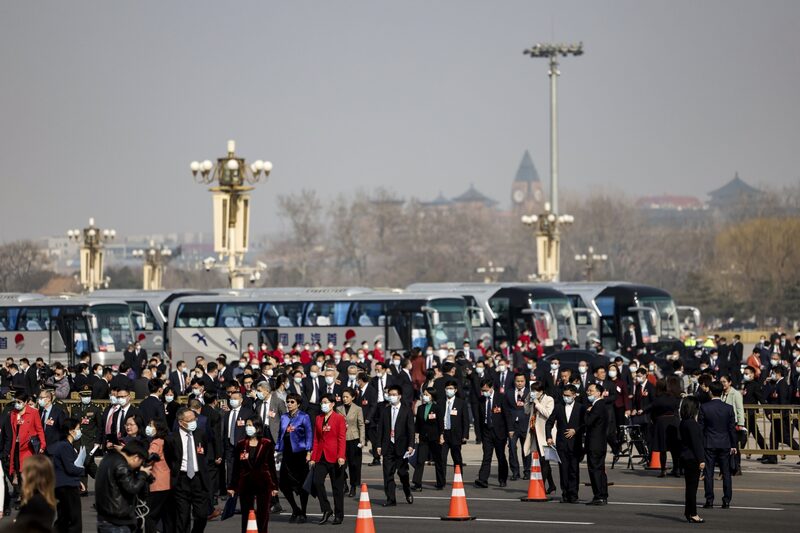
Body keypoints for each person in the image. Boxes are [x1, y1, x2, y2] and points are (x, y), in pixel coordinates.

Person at [228, 415, 279, 533]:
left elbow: (271, 466)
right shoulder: (241, 444)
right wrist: (232, 486)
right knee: (246, 512)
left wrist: (274, 486)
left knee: (263, 513)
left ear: (257, 427)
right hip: (245, 483)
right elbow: (236, 467)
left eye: (250, 425)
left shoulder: (266, 444)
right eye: (246, 425)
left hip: (263, 482)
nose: (248, 428)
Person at [164, 407, 211, 533]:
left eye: (194, 419)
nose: (193, 422)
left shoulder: (200, 434)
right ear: (181, 422)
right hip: (181, 480)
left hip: (198, 479)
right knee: (182, 517)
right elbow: (169, 458)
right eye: (189, 420)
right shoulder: (171, 438)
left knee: (201, 515)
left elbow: (204, 451)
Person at [95, 440, 154, 533]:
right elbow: (132, 487)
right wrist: (143, 474)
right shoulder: (121, 464)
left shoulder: (108, 458)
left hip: (105, 518)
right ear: (136, 457)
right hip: (117, 522)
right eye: (140, 462)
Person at [309, 394, 347, 524]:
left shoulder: (339, 418)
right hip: (321, 456)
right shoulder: (318, 418)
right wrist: (313, 457)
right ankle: (326, 509)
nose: (323, 405)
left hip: (335, 457)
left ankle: (339, 514)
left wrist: (341, 456)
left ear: (332, 404)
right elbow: (316, 439)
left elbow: (341, 438)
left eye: (325, 402)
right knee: (317, 482)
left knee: (337, 487)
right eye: (321, 403)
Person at [699, 381, 737, 509]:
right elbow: (732, 428)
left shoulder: (704, 407)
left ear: (710, 392)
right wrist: (734, 445)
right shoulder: (728, 408)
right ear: (722, 392)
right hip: (725, 442)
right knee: (726, 472)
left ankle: (709, 500)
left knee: (708, 472)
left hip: (709, 442)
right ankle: (726, 500)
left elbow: (701, 428)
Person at [275, 393, 312, 523]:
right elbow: (281, 433)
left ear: (298, 404)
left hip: (300, 454)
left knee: (302, 485)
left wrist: (309, 451)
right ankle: (295, 509)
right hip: (287, 453)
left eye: (292, 402)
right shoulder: (284, 417)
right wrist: (278, 448)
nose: (289, 404)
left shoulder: (304, 416)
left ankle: (303, 512)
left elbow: (309, 434)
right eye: (288, 402)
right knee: (283, 484)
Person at [545, 384, 586, 503]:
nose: (566, 397)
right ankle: (565, 494)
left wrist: (575, 430)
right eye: (564, 395)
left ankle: (573, 495)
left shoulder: (580, 408)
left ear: (574, 395)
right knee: (563, 469)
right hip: (562, 443)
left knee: (574, 470)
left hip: (575, 444)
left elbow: (585, 424)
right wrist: (549, 437)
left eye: (568, 395)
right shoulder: (558, 407)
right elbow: (549, 422)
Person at [377, 385, 415, 506]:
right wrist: (378, 445)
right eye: (390, 394)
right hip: (388, 446)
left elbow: (411, 430)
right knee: (388, 473)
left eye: (394, 395)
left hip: (402, 446)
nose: (391, 397)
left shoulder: (406, 410)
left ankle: (407, 490)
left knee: (402, 473)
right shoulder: (385, 411)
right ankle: (391, 499)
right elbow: (380, 429)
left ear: (399, 396)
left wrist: (411, 445)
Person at [49, 417, 85, 533]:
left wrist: (78, 481)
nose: (79, 431)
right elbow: (70, 468)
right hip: (66, 487)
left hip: (65, 484)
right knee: (72, 519)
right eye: (78, 428)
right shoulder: (64, 446)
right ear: (71, 431)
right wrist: (82, 470)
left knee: (64, 518)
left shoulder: (65, 445)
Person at [475, 378, 511, 488]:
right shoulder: (481, 400)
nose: (484, 392)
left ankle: (502, 479)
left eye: (486, 390)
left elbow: (507, 415)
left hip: (499, 432)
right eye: (482, 390)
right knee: (487, 455)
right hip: (487, 431)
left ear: (491, 388)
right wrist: (479, 435)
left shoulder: (501, 397)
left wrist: (510, 430)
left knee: (501, 456)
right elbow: (479, 419)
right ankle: (483, 479)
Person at [9, 392, 47, 490]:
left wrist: (42, 444)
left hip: (28, 447)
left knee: (27, 473)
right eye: (16, 401)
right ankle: (23, 496)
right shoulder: (13, 413)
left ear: (25, 402)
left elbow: (39, 429)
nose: (17, 404)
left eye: (19, 402)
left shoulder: (33, 412)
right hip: (16, 447)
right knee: (18, 472)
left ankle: (31, 496)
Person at [523, 380, 556, 493]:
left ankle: (542, 485)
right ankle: (551, 485)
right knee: (543, 460)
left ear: (541, 391)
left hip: (546, 434)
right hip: (535, 433)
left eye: (535, 391)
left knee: (544, 460)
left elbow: (548, 414)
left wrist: (537, 403)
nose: (533, 392)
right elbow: (527, 411)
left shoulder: (549, 399)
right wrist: (528, 400)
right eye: (532, 390)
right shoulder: (533, 400)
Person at [412, 387, 445, 491]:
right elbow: (417, 423)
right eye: (424, 394)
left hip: (435, 438)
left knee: (438, 460)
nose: (424, 396)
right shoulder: (421, 408)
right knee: (420, 460)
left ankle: (440, 482)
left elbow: (440, 423)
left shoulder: (437, 408)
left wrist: (441, 435)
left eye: (427, 394)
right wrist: (416, 434)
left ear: (432, 396)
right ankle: (417, 484)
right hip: (423, 438)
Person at [679, 396, 705, 523]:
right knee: (692, 488)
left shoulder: (683, 422)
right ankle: (693, 513)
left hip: (685, 456)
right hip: (692, 458)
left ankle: (688, 512)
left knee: (689, 487)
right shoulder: (692, 424)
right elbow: (696, 444)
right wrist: (701, 460)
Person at [336, 387, 366, 497]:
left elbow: (361, 425)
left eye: (347, 397)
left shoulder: (358, 409)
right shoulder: (338, 408)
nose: (344, 399)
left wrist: (362, 440)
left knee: (354, 464)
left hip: (354, 439)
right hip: (341, 439)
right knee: (340, 464)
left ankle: (353, 486)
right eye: (343, 397)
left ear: (352, 397)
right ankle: (344, 483)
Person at [145, 418, 173, 533]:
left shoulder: (156, 442)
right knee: (166, 515)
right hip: (167, 481)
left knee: (150, 515)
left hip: (157, 483)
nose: (149, 427)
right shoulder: (165, 440)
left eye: (151, 425)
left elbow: (148, 459)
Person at [437, 379, 469, 476]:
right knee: (442, 458)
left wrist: (465, 435)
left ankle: (458, 478)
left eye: (451, 388)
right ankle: (441, 481)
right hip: (443, 434)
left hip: (456, 434)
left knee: (457, 457)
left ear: (455, 390)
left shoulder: (461, 403)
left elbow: (465, 420)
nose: (448, 390)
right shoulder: (440, 402)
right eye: (447, 388)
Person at [584, 383, 609, 505]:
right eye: (588, 390)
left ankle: (599, 495)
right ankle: (602, 495)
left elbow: (588, 422)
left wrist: (587, 412)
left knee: (595, 470)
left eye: (591, 391)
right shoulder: (601, 405)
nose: (588, 393)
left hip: (595, 444)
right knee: (600, 469)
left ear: (599, 393)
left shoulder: (597, 405)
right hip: (600, 443)